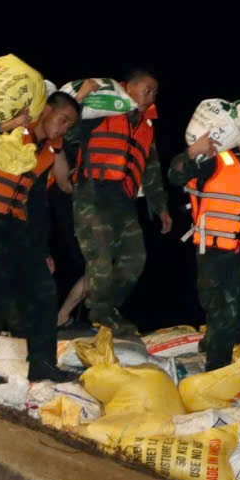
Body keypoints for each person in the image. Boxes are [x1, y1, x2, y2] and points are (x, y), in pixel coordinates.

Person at [0, 91, 81, 384]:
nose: (63, 129)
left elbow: (37, 203)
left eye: (69, 126)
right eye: (63, 120)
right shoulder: (12, 131)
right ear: (46, 110)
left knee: (44, 292)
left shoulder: (46, 151)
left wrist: (43, 250)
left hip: (19, 228)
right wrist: (6, 125)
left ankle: (42, 365)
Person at [169, 116, 240, 369]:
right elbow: (174, 176)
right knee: (222, 313)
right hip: (213, 251)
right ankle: (216, 370)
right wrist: (192, 151)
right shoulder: (215, 156)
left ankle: (213, 341)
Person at [66, 67, 172, 339]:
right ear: (129, 88)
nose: (152, 96)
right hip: (93, 191)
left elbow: (151, 171)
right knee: (100, 261)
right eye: (147, 90)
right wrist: (80, 99)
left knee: (135, 259)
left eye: (155, 92)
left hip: (123, 199)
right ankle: (99, 314)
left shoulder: (146, 126)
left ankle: (105, 309)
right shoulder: (104, 108)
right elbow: (70, 134)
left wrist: (161, 208)